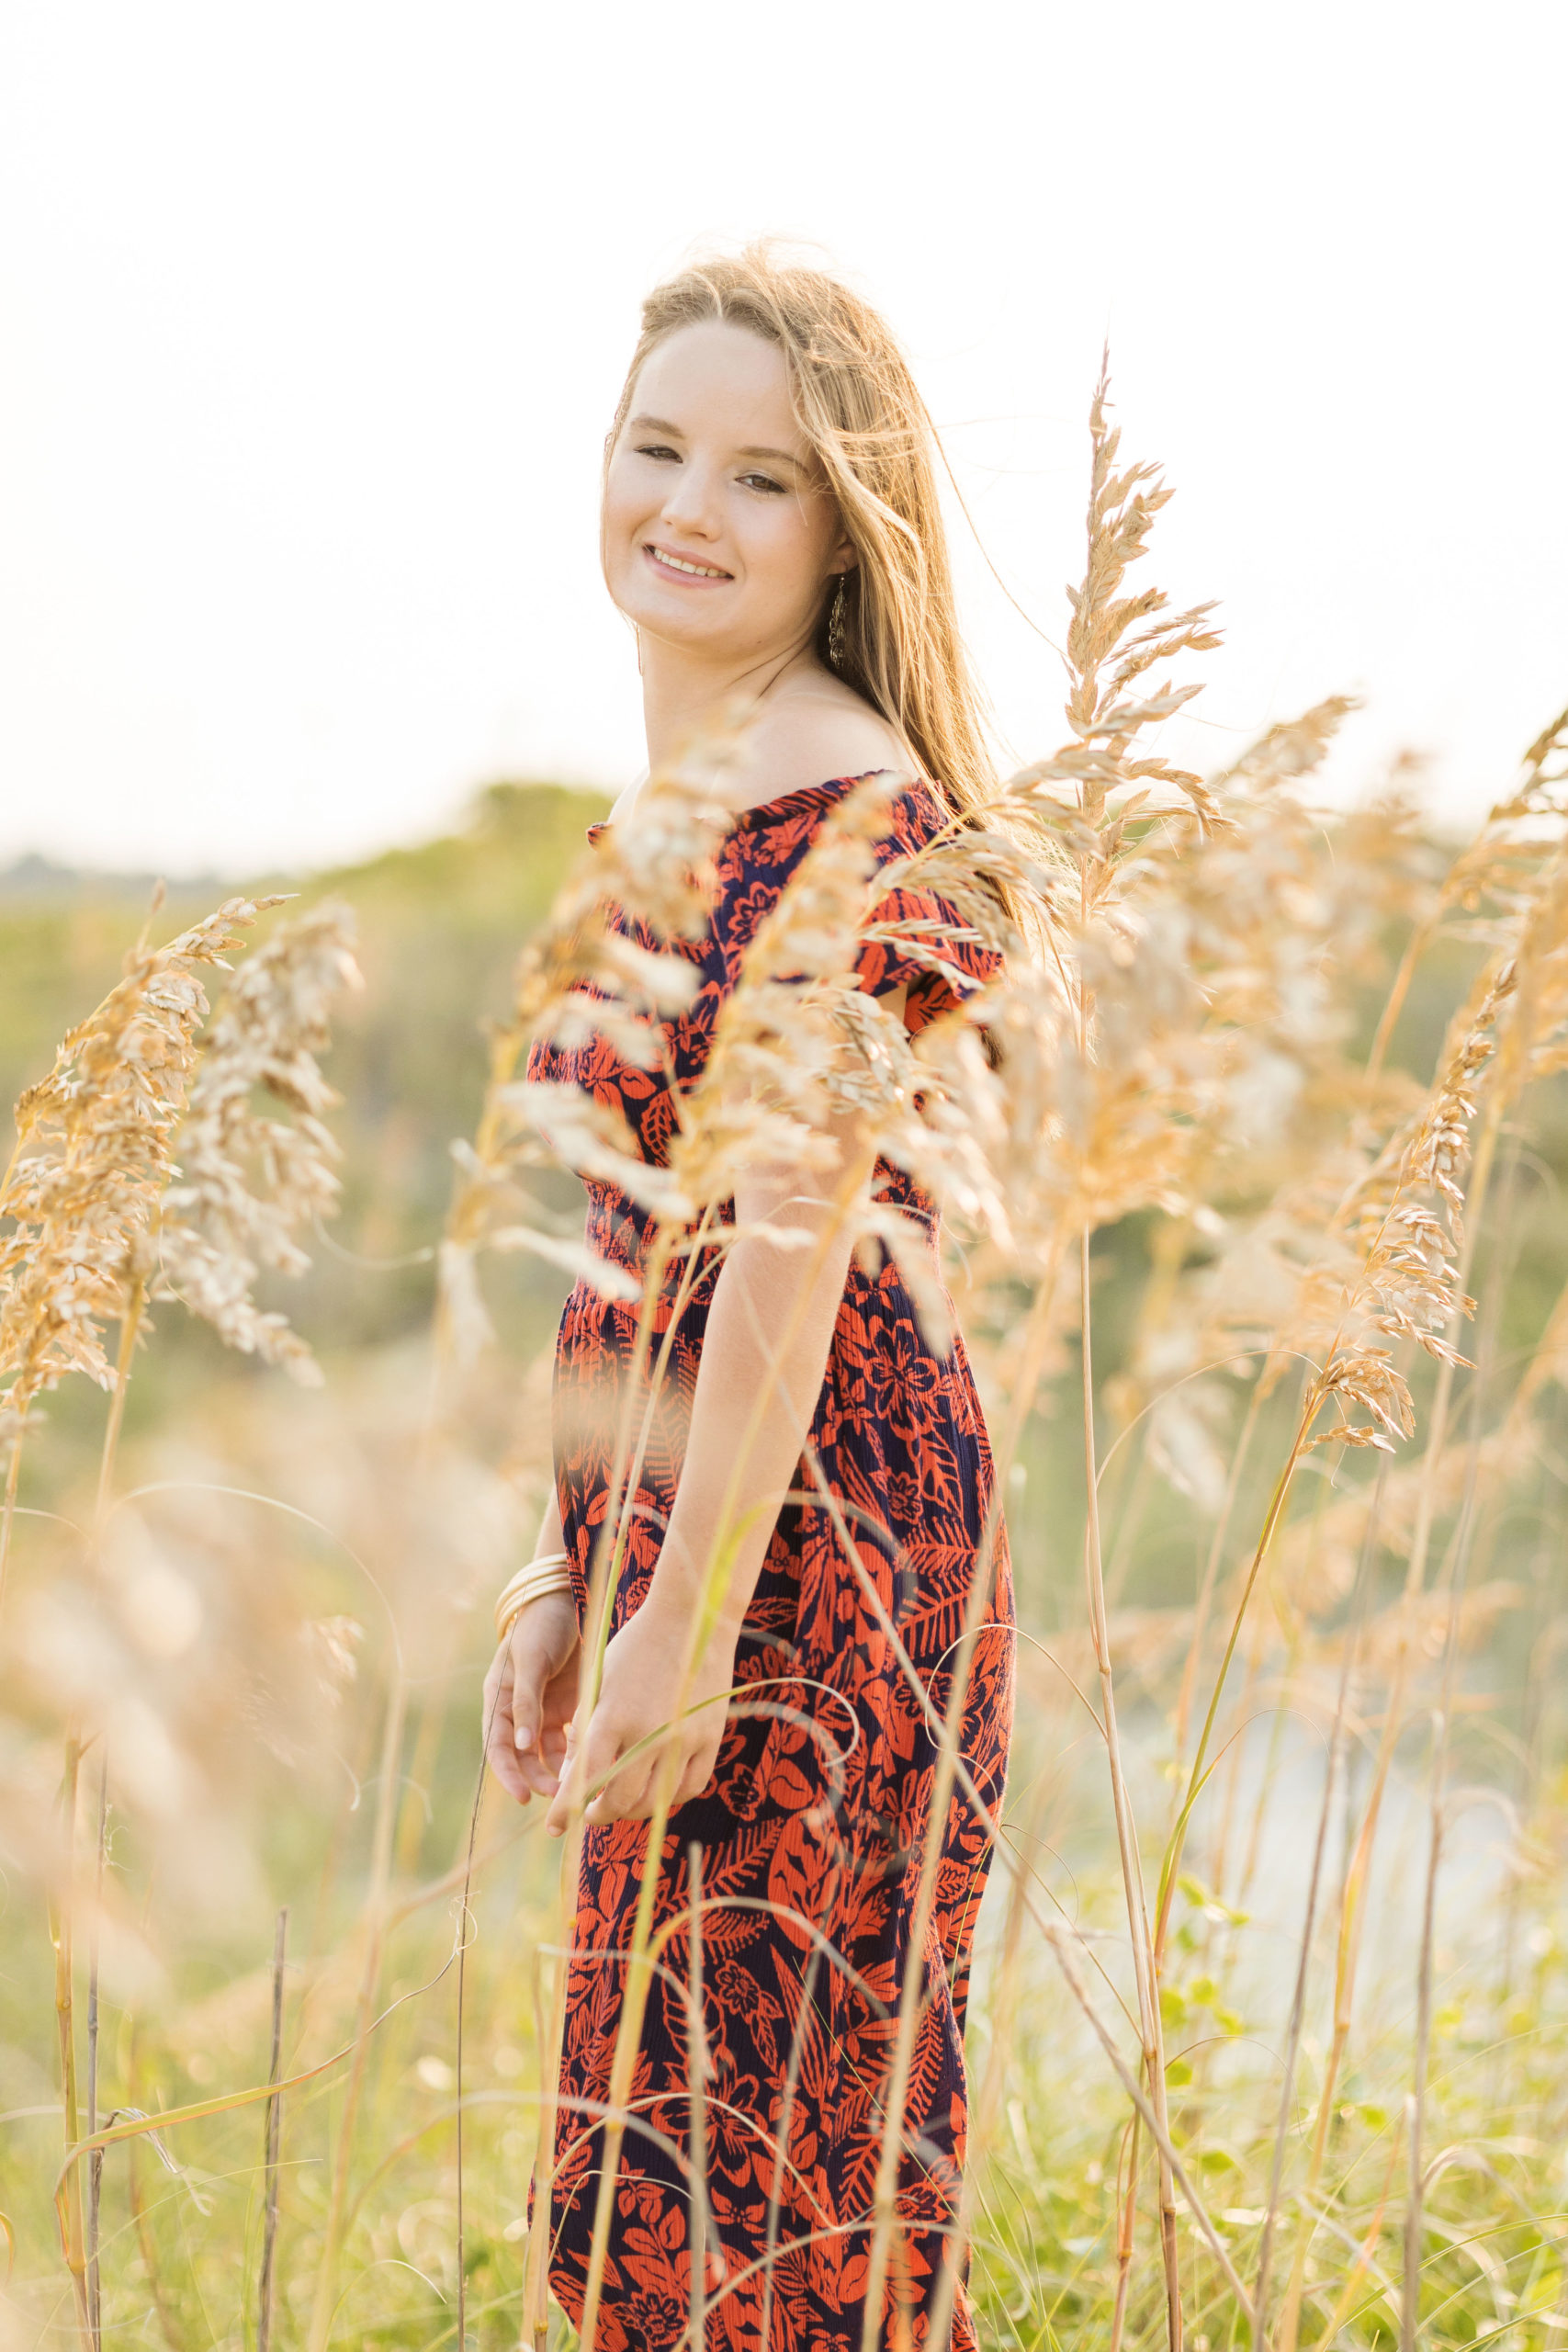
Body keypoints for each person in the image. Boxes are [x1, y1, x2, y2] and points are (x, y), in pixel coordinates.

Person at [482, 245, 1015, 2352]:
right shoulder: (665, 796)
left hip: (815, 1545)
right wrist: (558, 1550)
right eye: (655, 447)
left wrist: (687, 1617)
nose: (684, 509)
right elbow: (624, 1232)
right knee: (665, 2171)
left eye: (759, 477)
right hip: (675, 1525)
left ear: (840, 525)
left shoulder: (845, 803)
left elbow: (784, 1260)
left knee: (766, 2202)